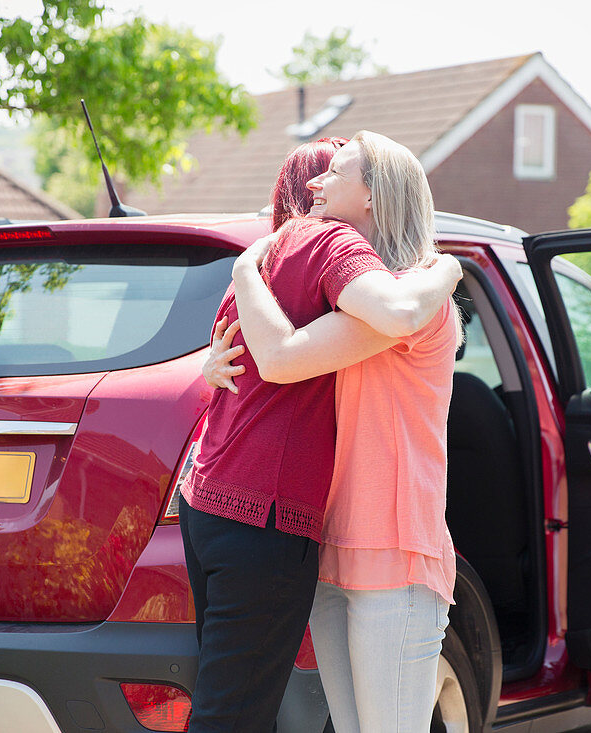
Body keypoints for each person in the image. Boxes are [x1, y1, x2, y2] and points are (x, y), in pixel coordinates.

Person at [180, 134, 461, 733]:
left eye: (335, 172)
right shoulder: (352, 292)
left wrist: (455, 265)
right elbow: (270, 357)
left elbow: (290, 353)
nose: (316, 184)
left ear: (373, 194)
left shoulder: (414, 294)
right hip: (331, 538)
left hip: (394, 544)